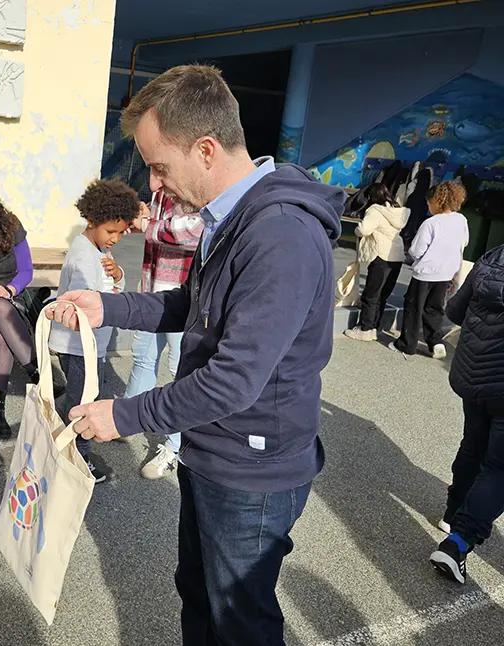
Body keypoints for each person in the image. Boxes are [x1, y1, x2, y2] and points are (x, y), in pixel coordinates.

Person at [46, 65, 343, 646]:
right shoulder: (229, 216)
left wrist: (122, 415)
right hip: (213, 450)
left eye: (159, 165)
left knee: (240, 620)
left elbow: (234, 380)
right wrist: (110, 309)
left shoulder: (279, 233)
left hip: (252, 469)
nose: (153, 185)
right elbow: (194, 304)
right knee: (199, 591)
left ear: (205, 149)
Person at [49, 179, 139, 484]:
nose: (115, 238)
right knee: (84, 402)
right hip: (79, 345)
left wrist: (120, 274)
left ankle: (60, 438)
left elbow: (109, 288)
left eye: (121, 232)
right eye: (110, 231)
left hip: (90, 345)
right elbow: (82, 303)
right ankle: (78, 458)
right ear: (91, 220)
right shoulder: (84, 255)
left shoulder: (97, 249)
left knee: (79, 396)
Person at [429, 243, 504, 585]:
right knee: (499, 468)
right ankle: (458, 542)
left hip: (474, 374)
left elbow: (456, 310)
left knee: (473, 446)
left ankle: (452, 512)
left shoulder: (493, 257)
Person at [124, 189, 204, 479]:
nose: (154, 178)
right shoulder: (160, 195)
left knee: (180, 372)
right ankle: (128, 418)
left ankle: (174, 446)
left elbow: (192, 232)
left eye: (158, 167)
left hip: (181, 300)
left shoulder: (195, 193)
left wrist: (147, 225)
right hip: (152, 292)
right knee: (143, 358)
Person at [0, 193, 62, 439]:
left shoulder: (12, 228)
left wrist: (8, 289)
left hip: (9, 299)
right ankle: (40, 374)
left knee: (1, 333)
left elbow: (26, 270)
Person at [391, 181, 468, 358]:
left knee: (414, 308)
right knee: (434, 308)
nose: (428, 206)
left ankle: (407, 345)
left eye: (429, 203)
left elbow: (417, 250)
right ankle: (435, 342)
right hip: (446, 272)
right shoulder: (461, 220)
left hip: (424, 273)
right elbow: (464, 242)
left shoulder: (431, 223)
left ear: (437, 201)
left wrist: (410, 252)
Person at [344, 183, 410, 342]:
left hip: (381, 255)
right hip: (397, 256)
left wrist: (357, 229)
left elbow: (364, 229)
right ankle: (374, 327)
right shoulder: (396, 210)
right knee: (383, 294)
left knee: (371, 294)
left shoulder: (374, 211)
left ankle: (365, 329)